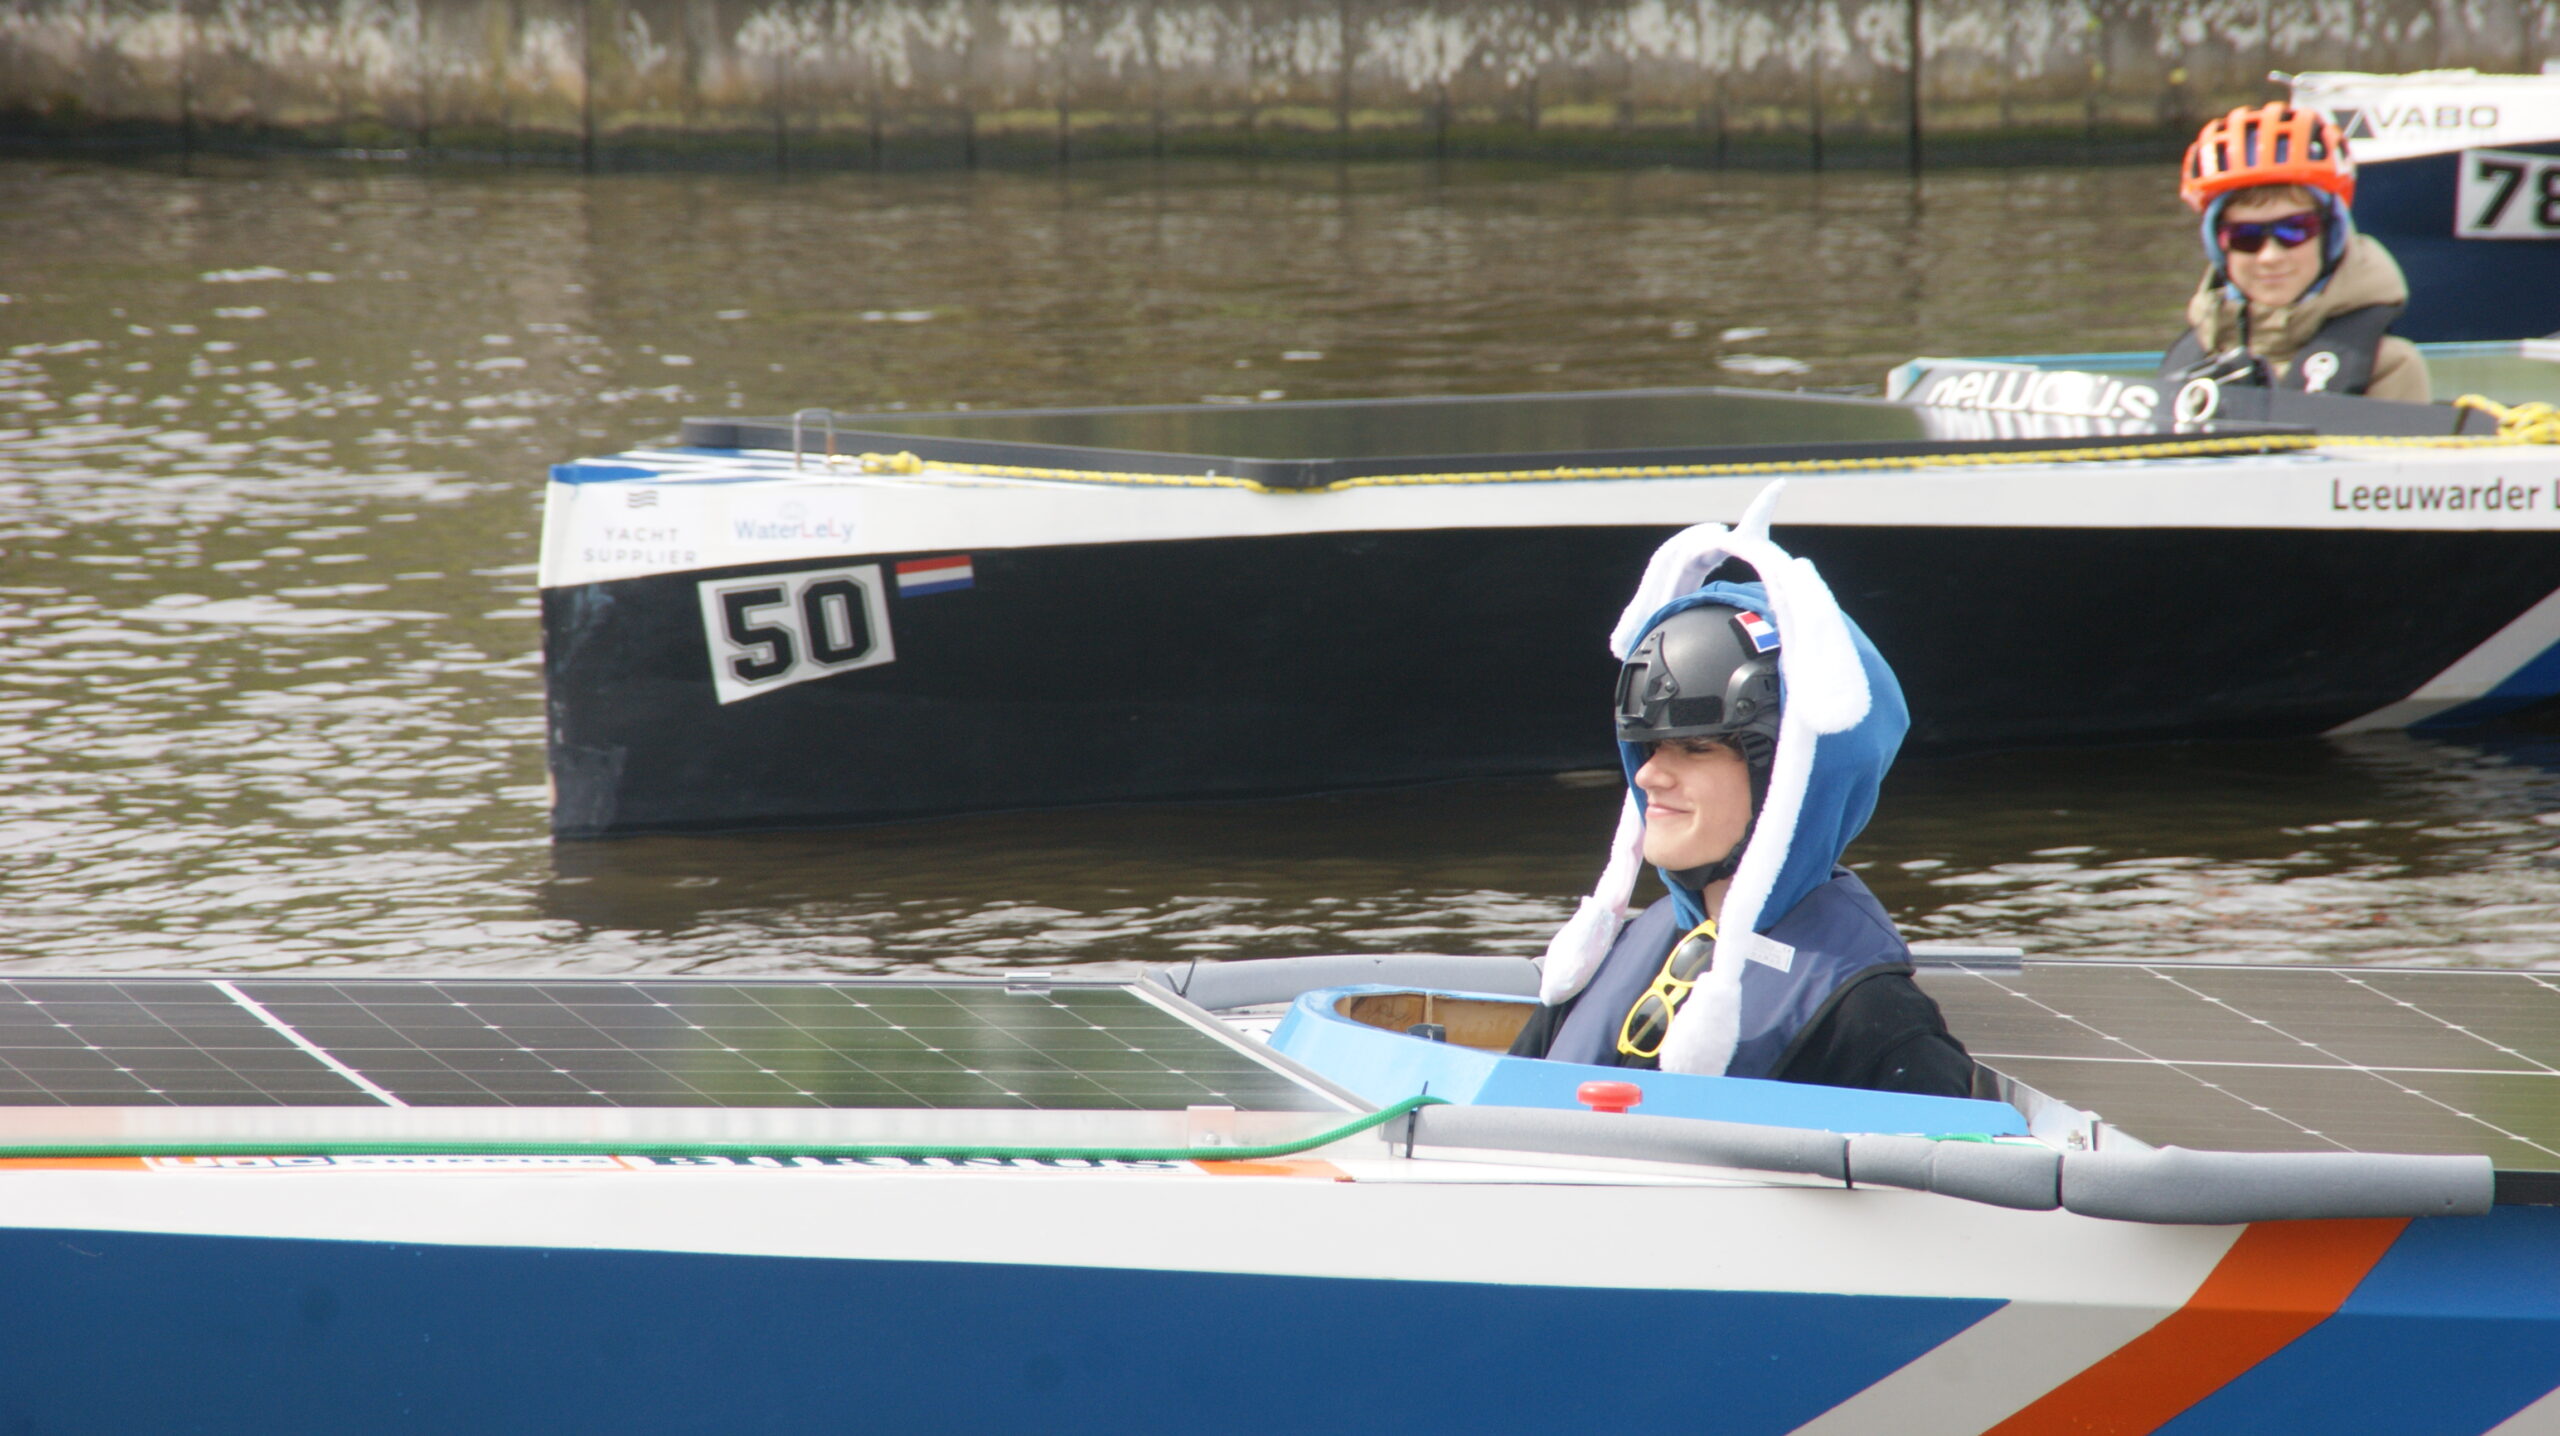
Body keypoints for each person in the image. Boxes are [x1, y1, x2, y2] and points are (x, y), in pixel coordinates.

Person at [1510, 503, 1974, 1097]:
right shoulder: (1621, 950)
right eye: (1649, 747)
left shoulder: (1871, 1021)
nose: (1649, 775)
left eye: (1695, 749)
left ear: (1788, 778)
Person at [2160, 101, 2429, 402]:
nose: (2270, 256)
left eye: (2295, 230)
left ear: (2331, 235)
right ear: (2219, 246)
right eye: (2245, 236)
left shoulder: (2390, 365)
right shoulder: (2188, 358)